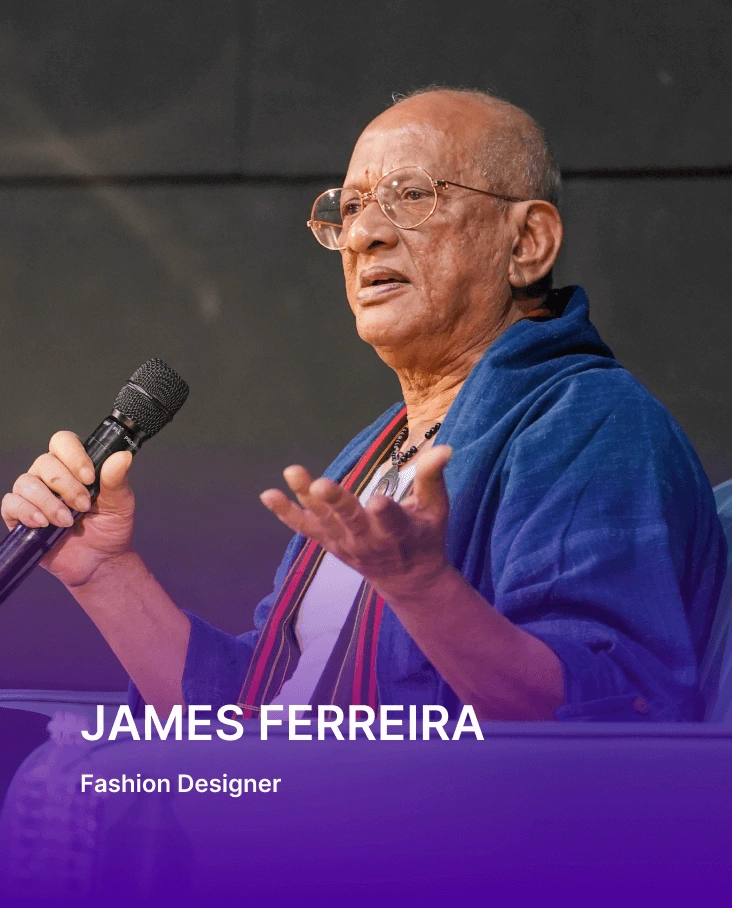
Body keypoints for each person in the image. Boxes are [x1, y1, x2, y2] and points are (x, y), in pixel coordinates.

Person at [1, 88, 726, 722]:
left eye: (412, 196)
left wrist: (424, 591)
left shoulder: (589, 423)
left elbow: (613, 720)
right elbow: (265, 711)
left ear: (527, 243)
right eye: (349, 208)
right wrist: (104, 571)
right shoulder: (378, 451)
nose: (362, 234)